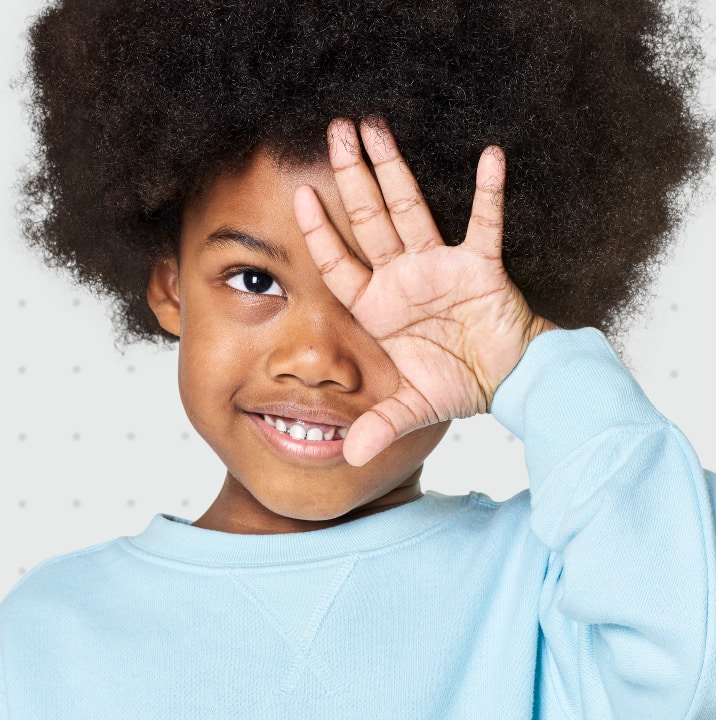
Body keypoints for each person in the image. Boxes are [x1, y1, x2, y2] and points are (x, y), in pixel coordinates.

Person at [1, 0, 714, 718]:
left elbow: (692, 638)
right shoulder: (47, 633)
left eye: (378, 297)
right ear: (169, 286)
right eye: (255, 281)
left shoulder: (548, 592)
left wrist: (528, 362)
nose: (315, 360)